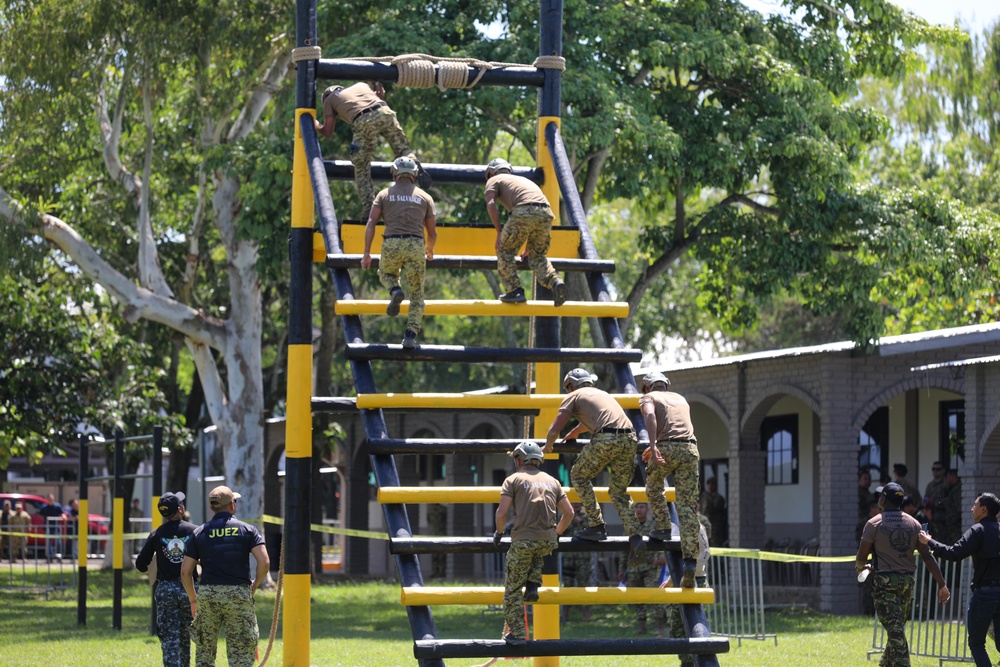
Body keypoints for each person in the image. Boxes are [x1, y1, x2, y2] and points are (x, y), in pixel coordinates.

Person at [544, 368, 644, 564]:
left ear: (571, 385)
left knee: (579, 475)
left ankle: (597, 524)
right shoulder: (603, 394)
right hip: (629, 438)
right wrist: (575, 432)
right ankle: (636, 536)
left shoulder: (573, 396)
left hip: (607, 438)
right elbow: (592, 420)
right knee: (618, 492)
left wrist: (547, 447)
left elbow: (554, 428)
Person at [856, 482, 950, 667]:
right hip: (907, 583)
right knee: (896, 631)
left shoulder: (874, 523)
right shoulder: (914, 524)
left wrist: (862, 567)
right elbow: (927, 557)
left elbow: (861, 556)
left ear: (883, 499)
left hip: (885, 583)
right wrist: (942, 584)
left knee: (896, 633)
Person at [494, 442, 574, 645]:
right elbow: (569, 513)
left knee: (512, 591)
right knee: (537, 552)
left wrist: (499, 532)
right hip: (546, 540)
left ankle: (518, 634)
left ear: (519, 459)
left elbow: (502, 513)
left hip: (523, 540)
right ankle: (533, 584)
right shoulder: (552, 481)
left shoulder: (513, 480)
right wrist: (556, 534)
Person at [181, 486, 270, 667]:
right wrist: (255, 585)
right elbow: (265, 562)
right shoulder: (248, 530)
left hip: (208, 596)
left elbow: (185, 572)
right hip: (238, 595)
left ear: (212, 508)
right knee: (241, 655)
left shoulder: (199, 533)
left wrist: (193, 599)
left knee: (205, 654)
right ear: (232, 505)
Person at [315, 82, 423, 221]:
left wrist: (315, 123)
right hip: (385, 111)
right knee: (402, 149)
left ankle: (369, 209)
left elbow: (327, 132)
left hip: (363, 119)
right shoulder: (361, 85)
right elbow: (379, 98)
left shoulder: (329, 100)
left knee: (361, 166)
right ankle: (412, 162)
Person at [360, 155, 437, 349]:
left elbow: (371, 223)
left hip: (391, 243)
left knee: (385, 273)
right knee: (417, 296)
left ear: (394, 174)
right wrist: (429, 249)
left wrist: (366, 253)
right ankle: (410, 335)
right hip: (416, 244)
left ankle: (395, 289)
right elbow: (432, 233)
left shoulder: (383, 195)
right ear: (415, 175)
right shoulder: (425, 197)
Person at [918, 492, 1000, 667]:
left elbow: (953, 553)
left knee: (977, 644)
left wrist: (929, 541)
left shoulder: (977, 530)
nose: (972, 508)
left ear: (983, 509)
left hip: (984, 595)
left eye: (975, 504)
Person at [638, 371, 699, 587]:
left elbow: (651, 417)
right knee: (688, 506)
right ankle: (690, 563)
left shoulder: (648, 398)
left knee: (654, 487)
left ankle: (663, 527)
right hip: (690, 449)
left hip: (666, 447)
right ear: (667, 386)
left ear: (647, 387)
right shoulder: (680, 398)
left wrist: (653, 446)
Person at [483, 158, 566, 306]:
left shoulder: (494, 179)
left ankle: (514, 290)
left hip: (523, 210)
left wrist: (499, 232)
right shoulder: (522, 180)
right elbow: (535, 215)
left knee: (504, 251)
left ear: (490, 173)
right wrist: (529, 247)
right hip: (546, 213)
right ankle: (555, 282)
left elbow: (490, 204)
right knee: (537, 256)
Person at [137, 492, 198, 667]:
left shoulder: (157, 534)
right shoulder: (194, 531)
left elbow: (141, 564)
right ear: (180, 509)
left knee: (169, 636)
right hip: (190, 590)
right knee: (186, 634)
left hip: (166, 590)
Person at [661, 518, 711, 667]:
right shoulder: (676, 527)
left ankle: (699, 661)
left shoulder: (696, 526)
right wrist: (672, 579)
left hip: (697, 580)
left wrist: (690, 574)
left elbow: (705, 553)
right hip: (680, 581)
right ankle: (687, 662)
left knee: (696, 626)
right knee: (677, 626)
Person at [618, 502, 667, 636]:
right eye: (636, 507)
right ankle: (642, 626)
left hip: (650, 567)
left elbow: (660, 544)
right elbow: (624, 550)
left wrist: (660, 559)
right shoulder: (630, 526)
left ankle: (659, 627)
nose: (639, 510)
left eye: (642, 507)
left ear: (647, 509)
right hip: (634, 569)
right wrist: (621, 569)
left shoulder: (653, 526)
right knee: (637, 599)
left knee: (654, 597)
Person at [560, 503, 594, 622]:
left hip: (583, 558)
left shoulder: (588, 515)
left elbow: (591, 531)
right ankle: (565, 615)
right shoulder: (566, 513)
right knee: (567, 586)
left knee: (584, 585)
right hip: (569, 557)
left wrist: (579, 521)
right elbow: (559, 530)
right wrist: (569, 518)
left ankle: (586, 614)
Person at [699, 477, 727, 548]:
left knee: (716, 547)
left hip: (716, 529)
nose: (711, 486)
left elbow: (718, 510)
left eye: (713, 484)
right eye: (709, 484)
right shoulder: (703, 497)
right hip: (705, 527)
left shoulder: (719, 499)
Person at [925, 461, 949, 536]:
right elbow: (925, 499)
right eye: (933, 469)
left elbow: (950, 500)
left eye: (938, 469)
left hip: (944, 517)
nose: (935, 471)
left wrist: (936, 502)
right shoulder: (930, 485)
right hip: (932, 517)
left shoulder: (947, 484)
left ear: (943, 470)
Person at [39, 493, 64, 561]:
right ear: (47, 499)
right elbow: (40, 515)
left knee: (58, 542)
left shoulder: (57, 506)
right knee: (48, 542)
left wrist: (63, 517)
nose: (50, 500)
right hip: (47, 526)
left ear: (54, 499)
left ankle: (58, 556)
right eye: (49, 499)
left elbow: (62, 514)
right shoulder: (44, 507)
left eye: (51, 499)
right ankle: (50, 557)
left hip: (56, 526)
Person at [857, 469, 874, 541]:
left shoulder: (867, 492)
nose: (867, 481)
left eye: (869, 479)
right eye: (865, 479)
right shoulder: (858, 493)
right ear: (859, 480)